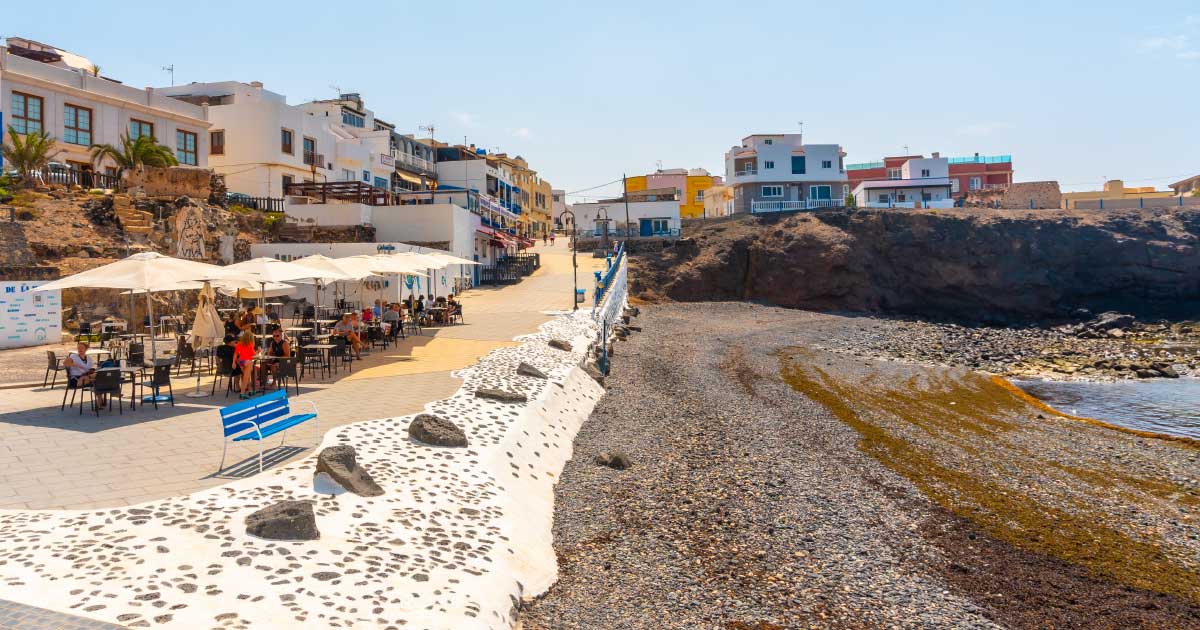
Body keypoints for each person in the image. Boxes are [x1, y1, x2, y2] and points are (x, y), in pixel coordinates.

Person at [233, 330, 257, 399]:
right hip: (247, 362)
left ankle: (250, 390)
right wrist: (259, 351)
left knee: (246, 376)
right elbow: (254, 355)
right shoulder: (250, 344)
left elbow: (236, 354)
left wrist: (233, 362)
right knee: (246, 377)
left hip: (241, 362)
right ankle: (242, 393)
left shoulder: (239, 344)